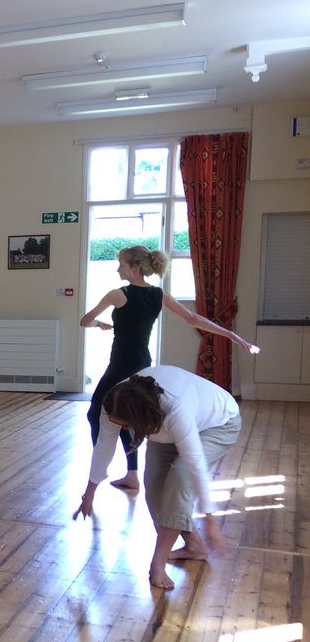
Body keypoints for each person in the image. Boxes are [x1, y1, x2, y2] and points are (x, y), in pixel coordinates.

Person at [80, 245, 258, 490]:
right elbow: (194, 319)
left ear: (133, 269)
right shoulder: (159, 295)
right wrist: (231, 335)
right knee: (126, 416)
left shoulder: (117, 294)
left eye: (121, 264)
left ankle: (99, 471)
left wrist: (99, 324)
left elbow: (84, 320)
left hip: (121, 365)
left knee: (97, 414)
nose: (118, 268)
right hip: (142, 364)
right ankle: (131, 473)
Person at [73, 365, 241, 591]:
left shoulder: (175, 411)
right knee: (154, 489)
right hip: (166, 427)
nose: (120, 427)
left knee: (180, 479)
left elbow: (195, 466)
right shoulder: (114, 402)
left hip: (218, 424)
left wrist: (210, 518)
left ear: (138, 417)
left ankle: (157, 563)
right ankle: (194, 547)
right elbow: (104, 447)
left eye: (123, 423)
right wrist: (89, 494)